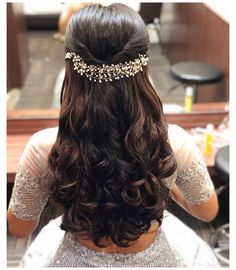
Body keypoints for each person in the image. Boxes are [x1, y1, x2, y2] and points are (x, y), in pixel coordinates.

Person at [7, 3, 219, 267]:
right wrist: (167, 182)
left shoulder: (44, 147)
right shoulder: (171, 143)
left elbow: (20, 229)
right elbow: (207, 211)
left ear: (71, 67)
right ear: (143, 68)